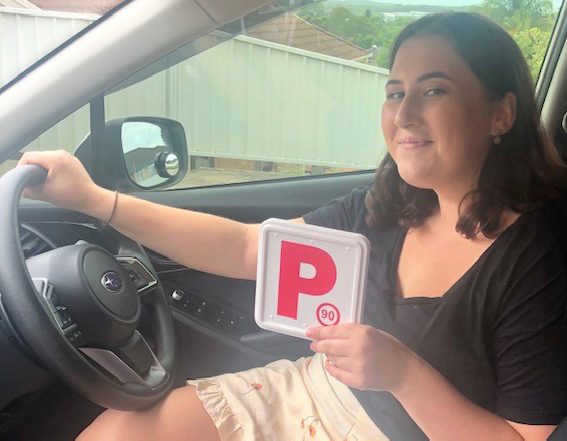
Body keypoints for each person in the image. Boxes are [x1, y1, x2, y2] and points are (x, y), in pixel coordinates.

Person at [18, 12, 567, 441]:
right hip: (312, 393)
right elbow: (247, 248)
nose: (403, 115)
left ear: (500, 114)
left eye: (434, 90)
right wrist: (96, 200)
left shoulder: (538, 260)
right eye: (395, 92)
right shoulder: (388, 205)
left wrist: (403, 373)